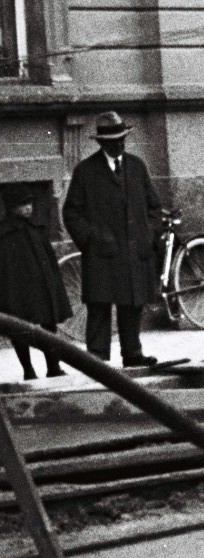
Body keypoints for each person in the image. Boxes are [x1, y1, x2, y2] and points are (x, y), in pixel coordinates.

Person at [61, 110, 160, 369]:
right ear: (102, 143)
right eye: (114, 140)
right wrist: (92, 239)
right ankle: (97, 358)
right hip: (102, 253)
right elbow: (71, 212)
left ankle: (133, 353)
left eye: (123, 139)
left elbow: (154, 207)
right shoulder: (86, 171)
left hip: (133, 250)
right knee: (99, 305)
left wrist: (147, 234)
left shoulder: (137, 166)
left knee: (132, 304)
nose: (120, 144)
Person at [0, 177, 68, 379]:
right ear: (12, 208)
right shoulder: (5, 235)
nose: (28, 208)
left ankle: (53, 367)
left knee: (49, 326)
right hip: (17, 290)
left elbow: (49, 263)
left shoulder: (36, 230)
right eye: (22, 204)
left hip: (41, 288)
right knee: (19, 330)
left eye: (29, 203)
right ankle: (28, 369)